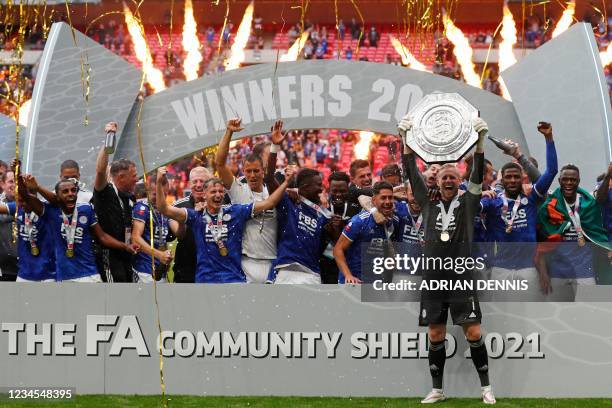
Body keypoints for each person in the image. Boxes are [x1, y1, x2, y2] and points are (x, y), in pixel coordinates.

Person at [398, 114, 495, 404]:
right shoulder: (427, 203)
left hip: (461, 276)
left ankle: (486, 388)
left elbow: (477, 175)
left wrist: (480, 144)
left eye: (453, 177)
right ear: (438, 183)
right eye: (445, 177)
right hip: (433, 279)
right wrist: (405, 142)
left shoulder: (469, 203)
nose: (449, 180)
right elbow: (412, 173)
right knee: (436, 334)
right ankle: (437, 390)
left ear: (459, 181)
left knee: (474, 332)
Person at [156, 167, 294, 284]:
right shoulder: (196, 216)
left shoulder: (236, 211)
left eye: (221, 191)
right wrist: (158, 183)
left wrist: (286, 182)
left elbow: (269, 203)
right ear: (204, 195)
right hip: (206, 280)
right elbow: (164, 208)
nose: (218, 195)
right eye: (213, 192)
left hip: (233, 279)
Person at [481, 122, 557, 299]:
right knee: (501, 319)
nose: (513, 180)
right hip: (500, 270)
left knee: (529, 317)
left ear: (522, 178)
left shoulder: (531, 199)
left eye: (516, 176)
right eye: (509, 177)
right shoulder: (493, 202)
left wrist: (548, 138)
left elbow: (552, 171)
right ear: (502, 180)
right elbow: (470, 204)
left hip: (527, 270)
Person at [21, 178, 138, 282]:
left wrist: (125, 246)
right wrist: (19, 177)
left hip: (90, 274)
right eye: (65, 191)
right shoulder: (50, 211)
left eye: (73, 190)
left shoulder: (86, 209)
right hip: (64, 276)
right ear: (56, 195)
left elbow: (102, 237)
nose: (71, 194)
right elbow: (25, 197)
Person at [215, 119, 279, 283]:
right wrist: (229, 132)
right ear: (243, 171)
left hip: (273, 261)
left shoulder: (271, 193)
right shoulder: (239, 191)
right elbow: (220, 164)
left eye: (256, 171)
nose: (252, 175)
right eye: (248, 171)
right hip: (246, 261)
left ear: (263, 171)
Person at [536, 164, 611, 297]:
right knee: (557, 315)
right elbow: (541, 243)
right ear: (559, 181)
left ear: (578, 181)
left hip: (584, 271)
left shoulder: (589, 205)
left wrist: (608, 176)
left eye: (573, 180)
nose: (569, 183)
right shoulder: (548, 207)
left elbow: (601, 200)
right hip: (558, 271)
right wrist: (543, 272)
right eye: (565, 179)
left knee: (588, 314)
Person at [93, 122, 138, 282]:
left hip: (126, 255)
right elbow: (99, 170)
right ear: (121, 177)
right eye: (134, 176)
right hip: (109, 257)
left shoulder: (128, 197)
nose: (136, 179)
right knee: (114, 301)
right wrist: (108, 139)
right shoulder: (105, 192)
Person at [267, 168, 329, 284]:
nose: (321, 189)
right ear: (305, 187)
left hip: (313, 274)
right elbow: (269, 179)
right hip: (288, 269)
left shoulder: (323, 215)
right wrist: (274, 149)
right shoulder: (289, 202)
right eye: (318, 185)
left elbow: (328, 250)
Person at [334, 181, 398, 284]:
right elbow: (337, 250)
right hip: (354, 283)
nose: (388, 201)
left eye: (390, 197)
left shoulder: (390, 221)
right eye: (383, 198)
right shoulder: (360, 221)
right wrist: (348, 275)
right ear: (373, 200)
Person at [0, 175, 55, 282]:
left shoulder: (47, 210)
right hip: (24, 274)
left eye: (25, 200)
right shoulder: (18, 207)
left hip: (47, 275)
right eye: (19, 201)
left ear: (34, 197)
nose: (21, 204)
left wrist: (37, 186)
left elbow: (58, 200)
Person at [320, 171, 362, 284]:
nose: (338, 194)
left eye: (342, 191)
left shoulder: (356, 208)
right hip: (325, 263)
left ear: (348, 189)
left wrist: (343, 226)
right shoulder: (321, 207)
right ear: (328, 190)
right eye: (334, 191)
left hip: (349, 263)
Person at [171, 166, 211, 283]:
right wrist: (190, 215)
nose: (198, 185)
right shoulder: (178, 206)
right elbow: (179, 235)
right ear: (189, 184)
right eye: (195, 181)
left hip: (212, 269)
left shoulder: (219, 205)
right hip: (185, 269)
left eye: (202, 181)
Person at [132, 176, 172, 283]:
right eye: (156, 194)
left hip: (159, 271)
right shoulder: (142, 208)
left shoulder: (164, 210)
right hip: (144, 270)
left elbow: (161, 239)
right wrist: (160, 255)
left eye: (164, 194)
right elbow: (135, 238)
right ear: (148, 191)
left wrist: (165, 259)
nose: (160, 198)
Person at [0, 169, 16, 281]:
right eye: (11, 181)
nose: (15, 185)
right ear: (2, 184)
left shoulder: (31, 202)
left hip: (27, 268)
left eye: (17, 181)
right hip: (4, 268)